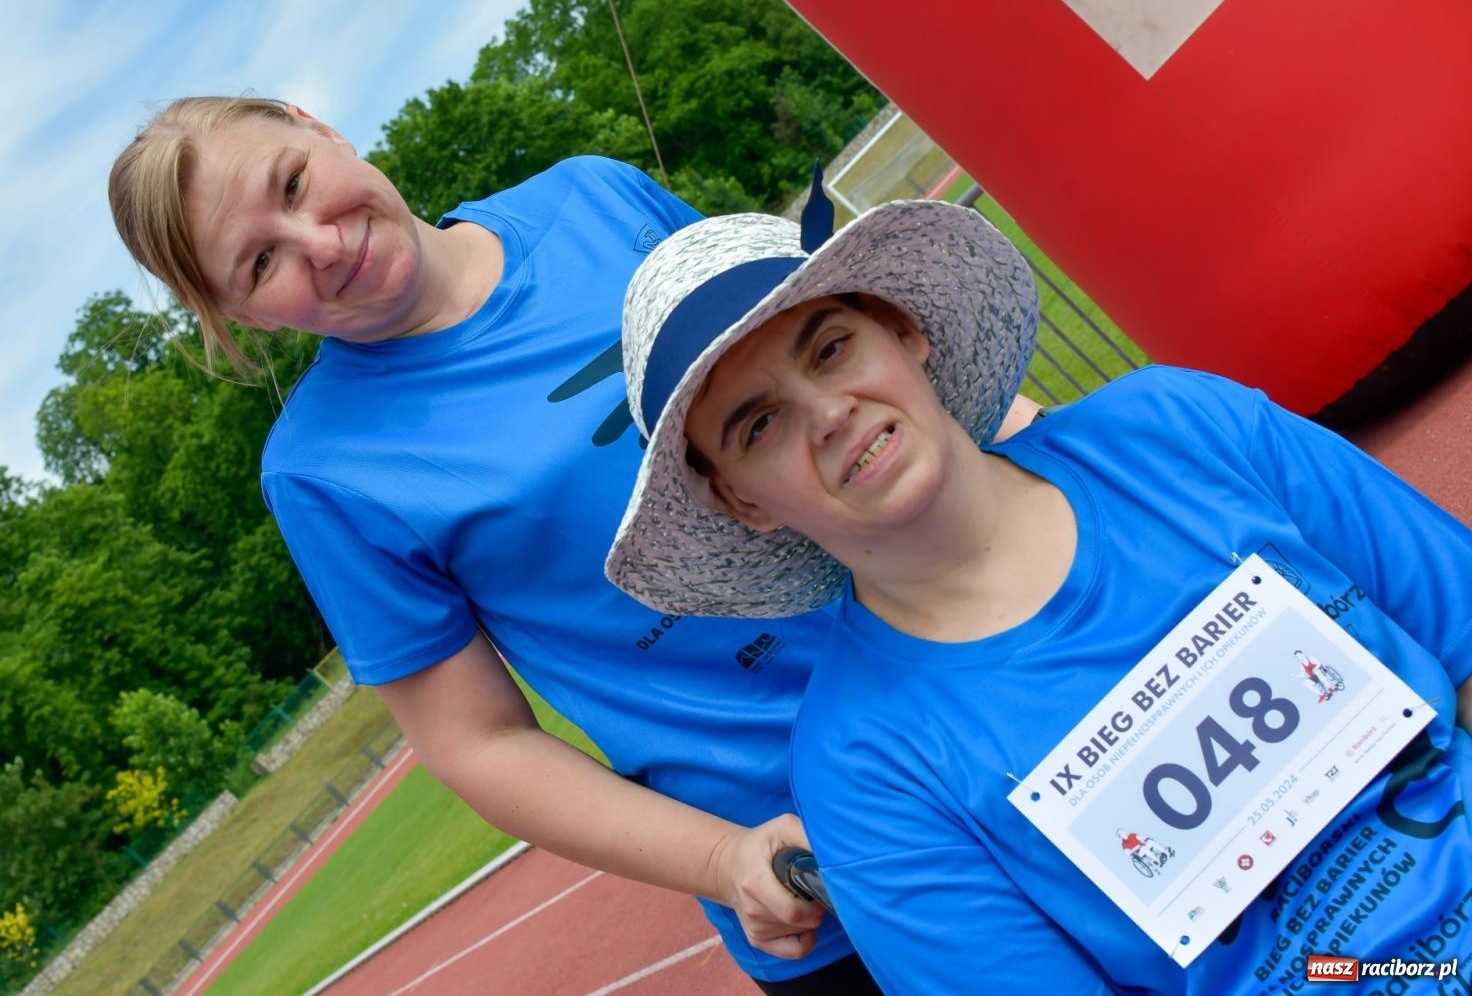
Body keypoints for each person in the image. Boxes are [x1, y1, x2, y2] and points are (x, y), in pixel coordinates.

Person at [109, 95, 1037, 991]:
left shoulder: (592, 196)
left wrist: (1061, 463)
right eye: (260, 263)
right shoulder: (322, 470)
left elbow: (832, 350)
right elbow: (477, 743)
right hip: (824, 846)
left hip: (1011, 676)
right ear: (244, 316)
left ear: (318, 128)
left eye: (293, 183)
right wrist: (725, 858)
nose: (320, 244)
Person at [605, 192, 1472, 995]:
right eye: (761, 424)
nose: (830, 413)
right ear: (743, 501)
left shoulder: (1181, 427)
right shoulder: (865, 774)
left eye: (830, 349)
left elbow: (1462, 651)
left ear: (902, 330)